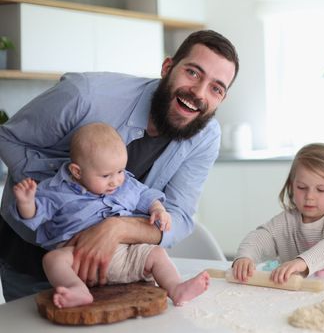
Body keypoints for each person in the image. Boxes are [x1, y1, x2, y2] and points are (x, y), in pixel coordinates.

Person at [0, 29, 239, 301]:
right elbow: (8, 138)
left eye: (216, 88)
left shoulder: (205, 136)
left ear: (222, 98)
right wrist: (68, 189)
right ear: (167, 67)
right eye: (193, 73)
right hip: (35, 259)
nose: (198, 92)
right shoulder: (84, 96)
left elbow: (180, 215)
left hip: (120, 265)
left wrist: (116, 228)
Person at [12, 123, 209, 308]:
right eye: (106, 176)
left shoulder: (125, 184)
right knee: (52, 260)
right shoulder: (56, 191)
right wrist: (26, 202)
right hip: (79, 259)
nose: (115, 181)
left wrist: (158, 209)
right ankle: (77, 290)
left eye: (120, 171)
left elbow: (145, 195)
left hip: (125, 255)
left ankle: (176, 288)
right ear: (77, 172)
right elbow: (34, 216)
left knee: (157, 254)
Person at [232, 143, 324, 284]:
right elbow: (260, 237)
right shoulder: (286, 221)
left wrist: (301, 262)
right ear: (291, 186)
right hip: (292, 298)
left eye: (320, 189)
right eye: (302, 187)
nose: (310, 196)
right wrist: (245, 257)